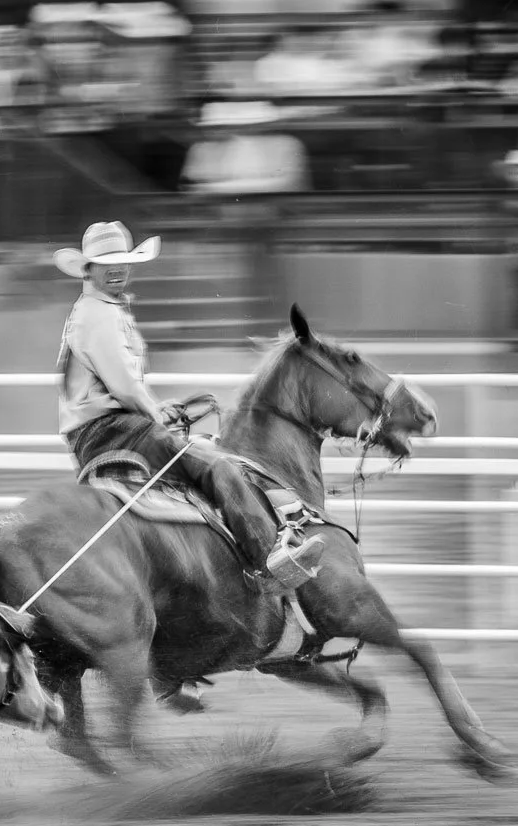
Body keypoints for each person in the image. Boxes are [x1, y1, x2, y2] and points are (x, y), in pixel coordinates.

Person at [53, 221, 326, 594]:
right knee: (219, 467)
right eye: (106, 262)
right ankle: (268, 561)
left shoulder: (95, 310)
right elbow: (125, 385)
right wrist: (151, 411)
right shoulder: (98, 315)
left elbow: (121, 387)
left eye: (122, 261)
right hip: (110, 431)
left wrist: (153, 409)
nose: (117, 268)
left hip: (109, 426)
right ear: (88, 268)